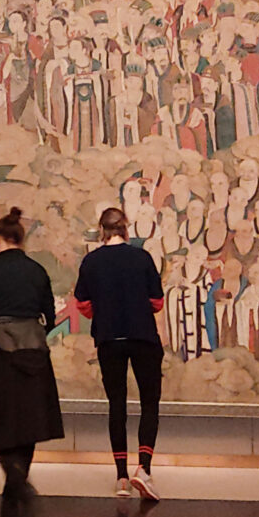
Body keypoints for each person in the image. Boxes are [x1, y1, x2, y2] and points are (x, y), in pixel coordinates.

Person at [0, 207, 65, 506]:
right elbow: (49, 313)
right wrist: (35, 336)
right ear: (21, 240)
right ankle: (19, 474)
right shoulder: (37, 270)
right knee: (31, 417)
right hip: (33, 349)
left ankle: (13, 472)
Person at [73, 205, 166, 500]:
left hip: (109, 338)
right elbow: (157, 302)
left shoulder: (91, 262)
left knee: (117, 404)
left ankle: (121, 477)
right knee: (149, 402)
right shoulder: (142, 258)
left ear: (101, 231)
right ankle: (145, 469)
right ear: (126, 229)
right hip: (143, 336)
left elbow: (83, 305)